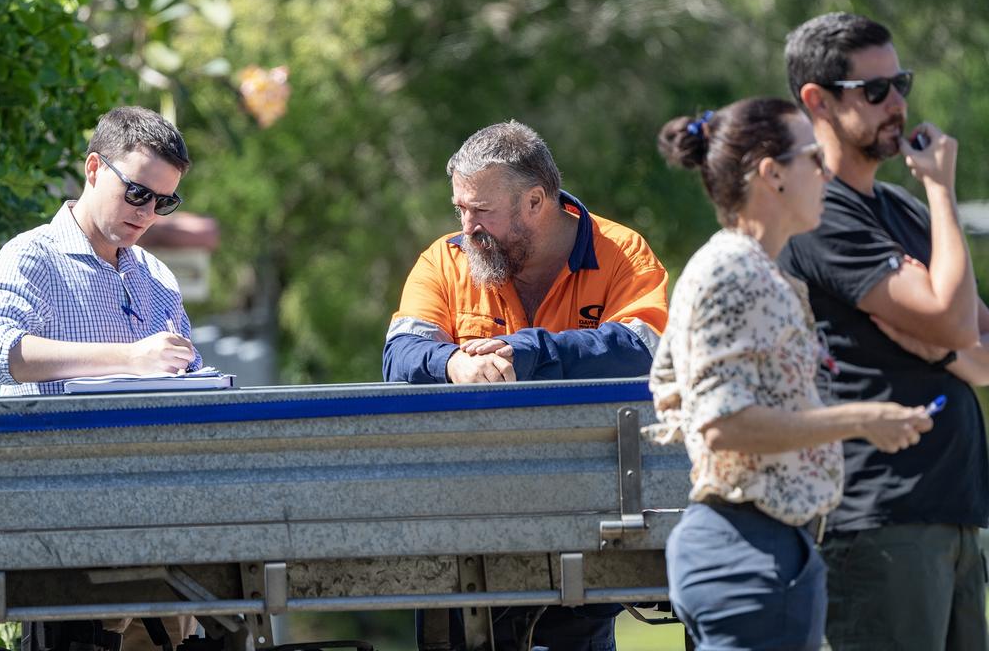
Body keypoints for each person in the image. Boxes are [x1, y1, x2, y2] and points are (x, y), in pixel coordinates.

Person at [647, 97, 934, 650]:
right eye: (814, 158)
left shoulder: (746, 266)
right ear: (772, 174)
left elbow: (670, 386)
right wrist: (860, 418)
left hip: (764, 546)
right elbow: (720, 422)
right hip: (749, 547)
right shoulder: (733, 269)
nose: (827, 171)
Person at [384, 121, 669, 651]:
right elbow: (399, 354)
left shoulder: (623, 253)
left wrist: (536, 352)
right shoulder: (443, 260)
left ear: (536, 200)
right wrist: (452, 366)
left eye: (481, 211)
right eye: (460, 209)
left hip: (590, 521)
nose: (467, 226)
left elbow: (649, 353)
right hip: (461, 522)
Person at [779, 12, 989, 650]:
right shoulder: (817, 212)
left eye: (900, 83)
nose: (897, 103)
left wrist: (942, 337)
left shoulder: (898, 206)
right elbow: (960, 324)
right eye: (874, 91)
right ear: (817, 99)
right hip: (878, 519)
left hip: (952, 511)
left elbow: (982, 353)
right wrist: (943, 193)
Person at [0, 105, 200, 651]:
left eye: (164, 201)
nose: (148, 213)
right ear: (94, 169)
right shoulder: (32, 256)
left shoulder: (156, 275)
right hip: (64, 520)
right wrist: (128, 359)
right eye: (137, 193)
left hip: (159, 521)